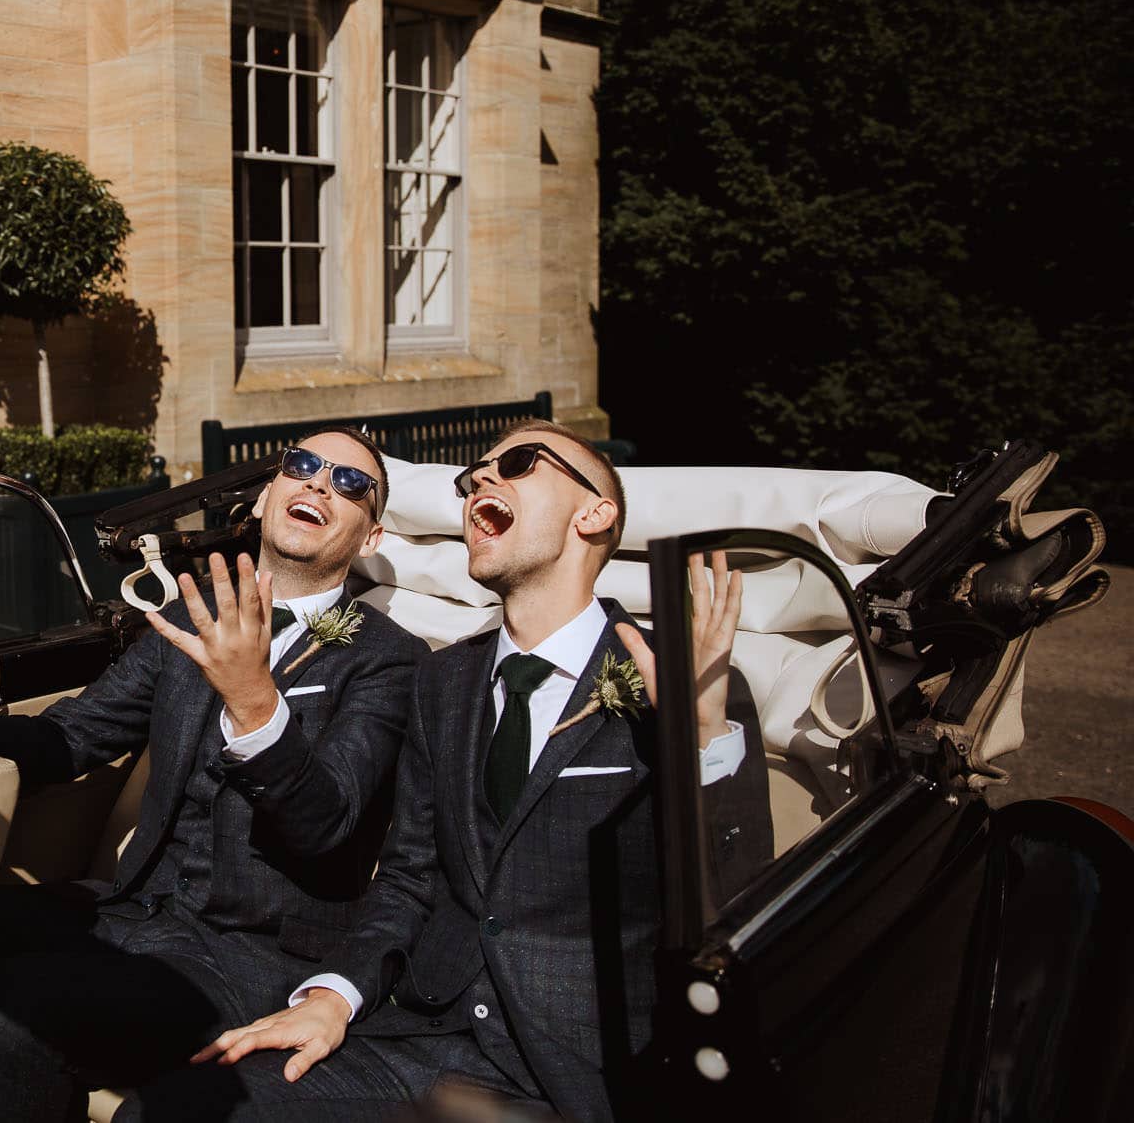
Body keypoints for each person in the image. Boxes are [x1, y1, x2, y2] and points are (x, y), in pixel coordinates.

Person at [128, 421, 773, 1123]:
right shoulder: (446, 680)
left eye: (518, 464)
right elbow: (409, 877)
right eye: (473, 476)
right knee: (178, 1107)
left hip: (591, 1069)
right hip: (428, 1032)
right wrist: (335, 994)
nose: (481, 483)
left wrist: (704, 739)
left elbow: (737, 919)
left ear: (595, 512)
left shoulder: (679, 680)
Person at [0, 428, 429, 1123]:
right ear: (268, 497)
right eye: (302, 465)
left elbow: (327, 819)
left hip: (250, 957)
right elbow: (70, 737)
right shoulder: (188, 616)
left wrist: (254, 697)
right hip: (133, 909)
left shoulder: (388, 660)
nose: (320, 483)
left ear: (368, 537)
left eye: (351, 483)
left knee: (19, 1017)